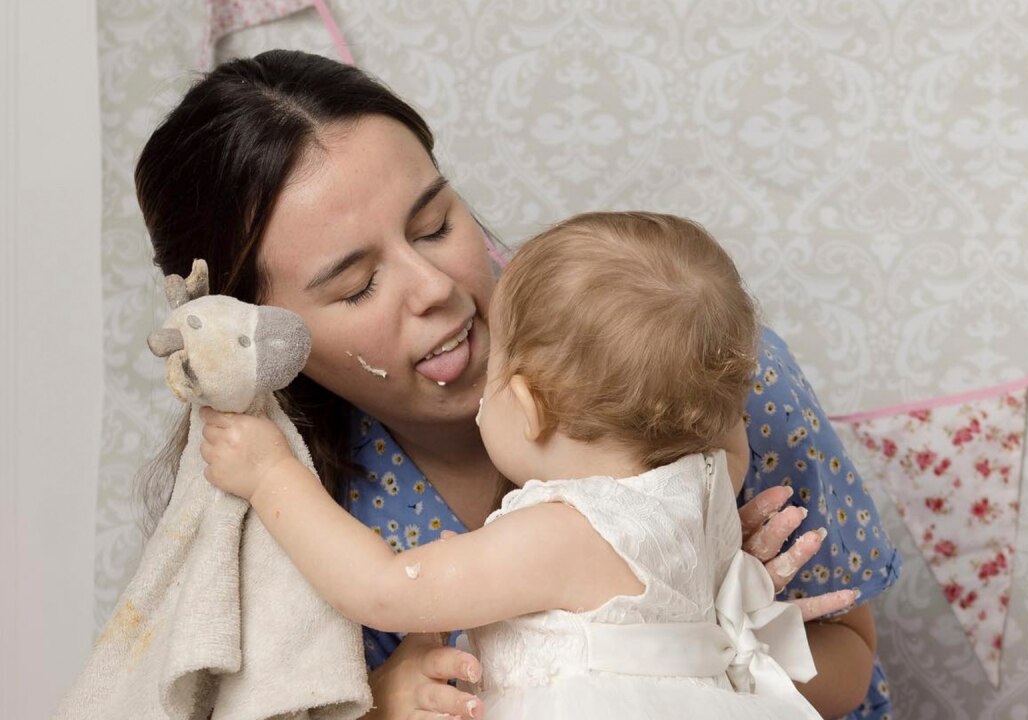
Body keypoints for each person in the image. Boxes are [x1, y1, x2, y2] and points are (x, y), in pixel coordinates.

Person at [134, 49, 900, 720]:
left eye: (436, 225)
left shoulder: (695, 376)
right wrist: (380, 709)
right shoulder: (279, 504)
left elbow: (850, 662)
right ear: (262, 335)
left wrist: (717, 634)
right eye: (359, 285)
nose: (434, 286)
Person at [201, 210, 850, 719]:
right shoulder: (714, 477)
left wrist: (270, 475)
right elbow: (722, 416)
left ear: (526, 407)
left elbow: (388, 588)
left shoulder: (563, 533)